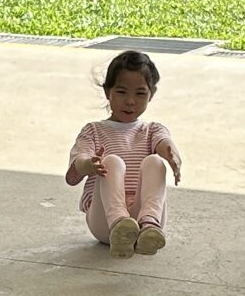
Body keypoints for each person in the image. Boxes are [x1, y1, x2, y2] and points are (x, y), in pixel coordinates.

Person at [66, 50, 183, 258]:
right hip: (105, 223)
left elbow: (164, 143)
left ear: (151, 95)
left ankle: (149, 225)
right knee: (111, 161)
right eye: (121, 92)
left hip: (144, 220)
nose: (130, 101)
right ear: (108, 92)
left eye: (140, 94)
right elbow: (77, 166)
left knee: (156, 161)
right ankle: (120, 225)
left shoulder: (152, 130)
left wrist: (171, 155)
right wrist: (88, 165)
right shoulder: (93, 131)